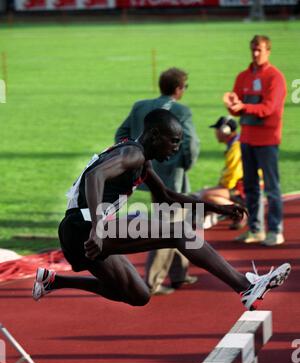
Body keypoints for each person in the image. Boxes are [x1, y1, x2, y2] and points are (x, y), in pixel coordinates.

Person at [32, 109, 290, 312]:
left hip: (80, 232)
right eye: (174, 142)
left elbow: (167, 196)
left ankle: (54, 281)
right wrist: (98, 228)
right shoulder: (132, 153)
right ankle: (246, 287)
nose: (176, 149)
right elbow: (95, 176)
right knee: (179, 232)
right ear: (155, 135)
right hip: (85, 226)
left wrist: (216, 207)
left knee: (139, 295)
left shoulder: (141, 162)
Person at [115, 67, 200, 295]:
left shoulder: (140, 106)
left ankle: (179, 274)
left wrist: (132, 159)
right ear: (178, 89)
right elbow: (190, 143)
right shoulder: (181, 110)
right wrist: (185, 163)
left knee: (182, 220)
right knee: (170, 224)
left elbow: (121, 133)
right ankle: (152, 282)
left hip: (147, 172)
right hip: (174, 176)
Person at [224, 35, 287, 246]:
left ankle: (275, 231)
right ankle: (255, 229)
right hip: (247, 138)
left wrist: (243, 107)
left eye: (259, 49)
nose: (255, 53)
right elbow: (236, 105)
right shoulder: (242, 76)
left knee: (271, 187)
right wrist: (231, 104)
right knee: (250, 186)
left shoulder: (275, 77)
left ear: (268, 51)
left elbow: (268, 108)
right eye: (253, 49)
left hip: (268, 140)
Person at [194, 116, 246, 230]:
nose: (215, 133)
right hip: (242, 185)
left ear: (225, 131)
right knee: (203, 192)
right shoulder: (235, 144)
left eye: (217, 130)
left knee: (206, 195)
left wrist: (220, 187)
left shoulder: (236, 147)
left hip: (242, 188)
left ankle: (239, 212)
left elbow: (233, 176)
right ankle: (215, 213)